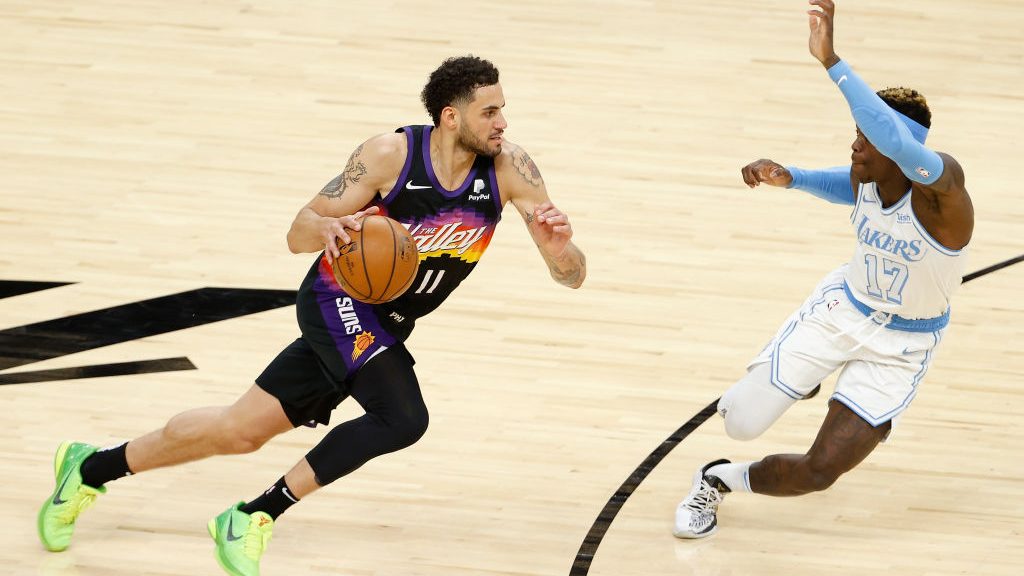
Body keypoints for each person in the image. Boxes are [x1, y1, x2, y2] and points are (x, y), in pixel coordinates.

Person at [38, 55, 587, 575]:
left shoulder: (511, 168)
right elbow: (298, 231)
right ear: (451, 116)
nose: (502, 121)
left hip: (387, 323)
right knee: (402, 417)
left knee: (239, 431)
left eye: (502, 109)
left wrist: (561, 248)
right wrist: (325, 228)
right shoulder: (388, 156)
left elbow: (571, 275)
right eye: (489, 111)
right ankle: (253, 515)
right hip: (336, 303)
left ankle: (89, 467)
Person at [673, 0, 973, 539]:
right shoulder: (867, 179)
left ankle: (716, 479)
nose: (854, 144)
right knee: (740, 421)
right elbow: (846, 185)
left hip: (902, 347)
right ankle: (798, 380)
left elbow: (895, 141)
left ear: (894, 146)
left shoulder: (943, 191)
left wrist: (832, 61)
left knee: (820, 473)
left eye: (865, 137)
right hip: (842, 312)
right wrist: (792, 177)